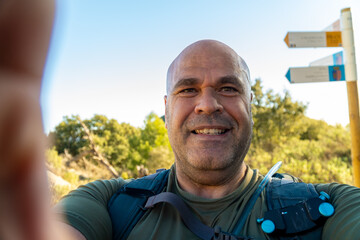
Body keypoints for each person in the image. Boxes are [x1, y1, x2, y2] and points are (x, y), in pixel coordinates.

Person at [1, 1, 360, 240]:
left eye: (228, 88)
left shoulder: (329, 209)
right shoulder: (109, 204)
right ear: (167, 109)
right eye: (187, 90)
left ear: (251, 105)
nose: (207, 104)